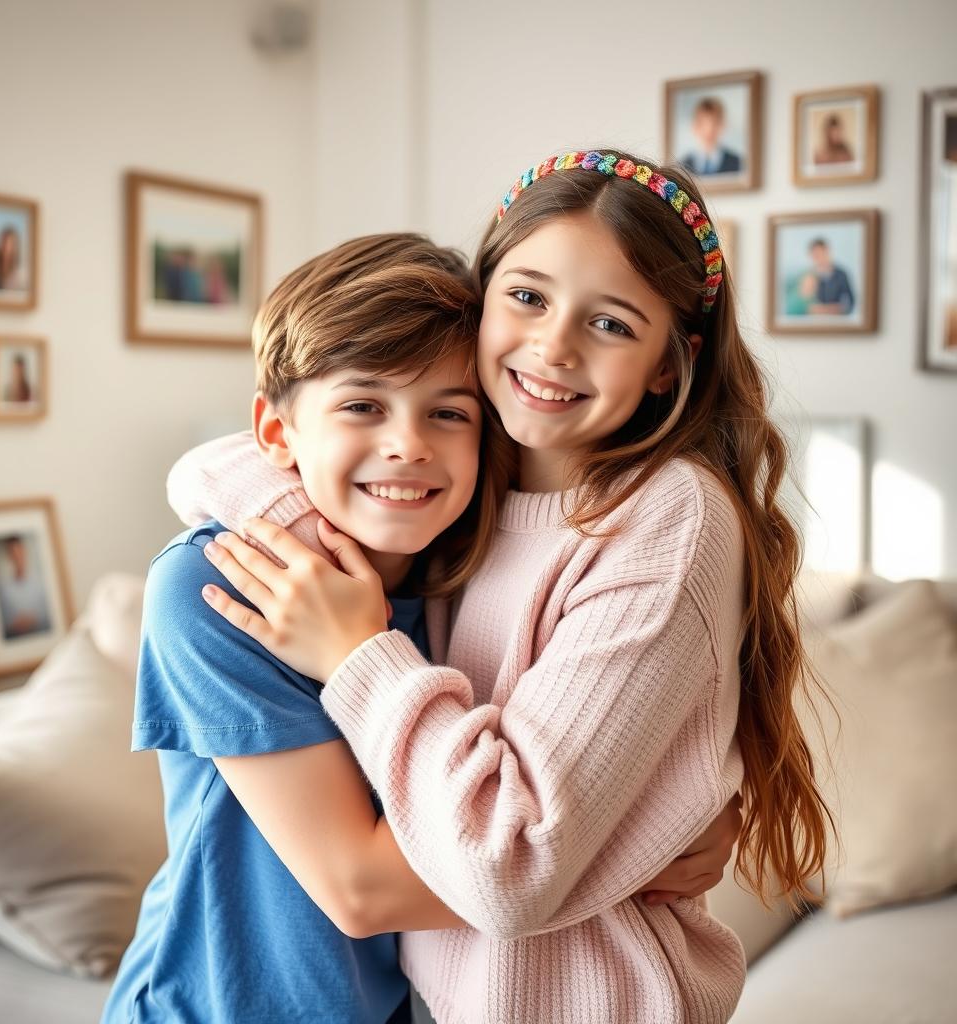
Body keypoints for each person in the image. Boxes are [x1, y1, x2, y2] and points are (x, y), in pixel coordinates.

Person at [185, 149, 832, 1023]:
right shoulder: (461, 483)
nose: (553, 347)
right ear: (481, 300)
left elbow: (508, 865)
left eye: (611, 324)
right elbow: (225, 462)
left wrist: (356, 656)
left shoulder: (664, 516)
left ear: (669, 367)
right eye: (527, 296)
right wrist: (629, 835)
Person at [107, 232, 740, 1024]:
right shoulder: (218, 587)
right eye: (364, 406)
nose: (408, 444)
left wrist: (653, 803)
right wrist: (638, 835)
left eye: (448, 413)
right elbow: (362, 890)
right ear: (276, 434)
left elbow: (530, 760)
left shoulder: (458, 576)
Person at [0, 535, 51, 639]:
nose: (18, 558)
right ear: (9, 557)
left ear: (24, 552)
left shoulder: (41, 583)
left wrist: (33, 620)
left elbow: (49, 614)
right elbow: (1, 620)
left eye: (19, 553)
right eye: (13, 554)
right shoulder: (3, 589)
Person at [681, 97, 742, 176]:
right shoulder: (683, 166)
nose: (709, 130)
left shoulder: (736, 163)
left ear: (723, 125)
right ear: (694, 126)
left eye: (715, 123)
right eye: (702, 124)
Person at [799, 238, 855, 316]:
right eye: (815, 255)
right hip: (814, 323)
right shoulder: (808, 277)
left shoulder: (841, 275)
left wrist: (827, 309)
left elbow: (849, 303)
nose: (818, 258)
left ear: (827, 251)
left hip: (837, 322)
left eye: (820, 253)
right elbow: (803, 305)